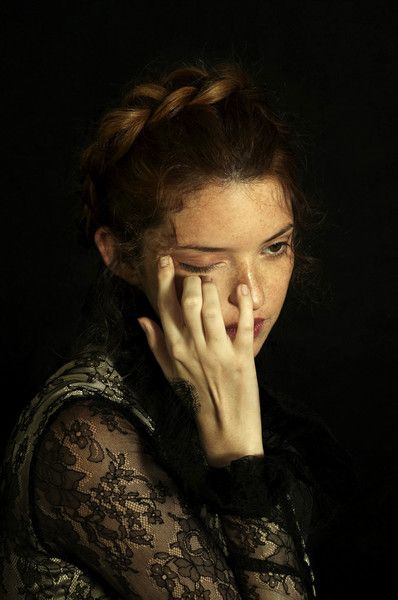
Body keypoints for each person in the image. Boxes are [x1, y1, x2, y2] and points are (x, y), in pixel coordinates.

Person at [0, 62, 351, 599]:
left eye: (275, 247)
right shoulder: (88, 440)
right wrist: (240, 461)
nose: (251, 295)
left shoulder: (214, 394)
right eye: (205, 263)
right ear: (119, 256)